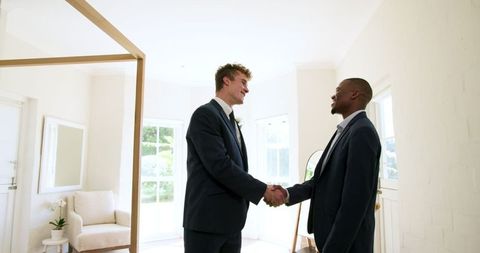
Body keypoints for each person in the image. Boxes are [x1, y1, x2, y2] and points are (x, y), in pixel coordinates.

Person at [268, 78, 381, 253]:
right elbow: (319, 181)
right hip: (330, 237)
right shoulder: (345, 131)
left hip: (349, 245)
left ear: (354, 94)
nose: (333, 95)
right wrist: (287, 193)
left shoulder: (362, 132)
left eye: (338, 90)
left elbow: (355, 202)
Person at [183, 63, 285, 253]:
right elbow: (220, 165)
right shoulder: (205, 114)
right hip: (207, 221)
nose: (247, 89)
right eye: (243, 82)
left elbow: (237, 167)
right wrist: (263, 190)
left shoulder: (230, 119)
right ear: (226, 80)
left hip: (231, 222)